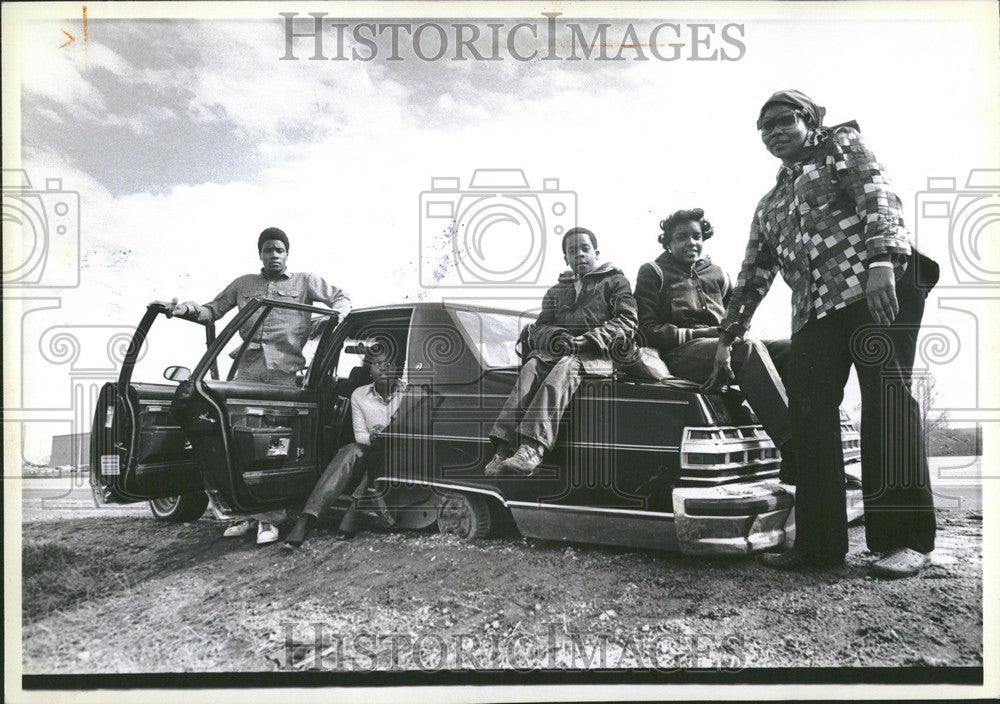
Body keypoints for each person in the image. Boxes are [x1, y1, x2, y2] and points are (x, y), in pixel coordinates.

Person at [708, 90, 939, 577]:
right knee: (810, 417)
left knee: (887, 401)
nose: (774, 132)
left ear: (810, 120)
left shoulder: (841, 146)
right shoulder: (770, 203)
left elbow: (879, 195)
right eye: (764, 128)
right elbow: (752, 275)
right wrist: (729, 336)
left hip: (878, 288)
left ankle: (905, 541)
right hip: (815, 310)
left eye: (783, 121)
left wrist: (881, 262)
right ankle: (818, 546)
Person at [168, 226, 352, 545]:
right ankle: (242, 514)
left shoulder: (306, 281)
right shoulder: (243, 284)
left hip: (284, 375)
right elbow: (212, 310)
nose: (274, 255)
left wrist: (340, 312)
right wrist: (182, 309)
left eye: (280, 250)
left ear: (287, 254)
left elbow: (340, 296)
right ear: (260, 255)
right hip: (246, 372)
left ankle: (269, 519)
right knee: (240, 441)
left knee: (274, 444)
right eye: (268, 250)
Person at [634, 208, 800, 482]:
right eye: (682, 237)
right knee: (747, 349)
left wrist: (730, 334)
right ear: (668, 241)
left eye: (697, 236)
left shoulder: (718, 273)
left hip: (723, 347)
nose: (691, 242)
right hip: (679, 356)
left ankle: (814, 439)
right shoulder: (653, 272)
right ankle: (794, 449)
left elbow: (737, 316)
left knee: (792, 349)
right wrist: (710, 332)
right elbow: (647, 330)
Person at [485, 227, 639, 476]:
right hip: (560, 353)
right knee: (532, 366)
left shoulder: (616, 282)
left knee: (566, 367)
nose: (579, 254)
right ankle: (503, 449)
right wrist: (557, 336)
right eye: (572, 250)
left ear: (596, 253)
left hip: (598, 356)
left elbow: (627, 321)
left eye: (585, 249)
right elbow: (540, 328)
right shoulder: (557, 291)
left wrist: (589, 340)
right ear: (565, 258)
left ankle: (532, 449)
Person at [282, 351, 403, 551]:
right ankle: (308, 518)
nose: (384, 367)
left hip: (401, 451)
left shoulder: (409, 392)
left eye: (389, 363)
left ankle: (354, 510)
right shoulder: (359, 394)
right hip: (373, 447)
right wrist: (374, 437)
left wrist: (390, 433)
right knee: (351, 450)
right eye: (377, 363)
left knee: (384, 451)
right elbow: (360, 435)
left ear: (397, 369)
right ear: (370, 370)